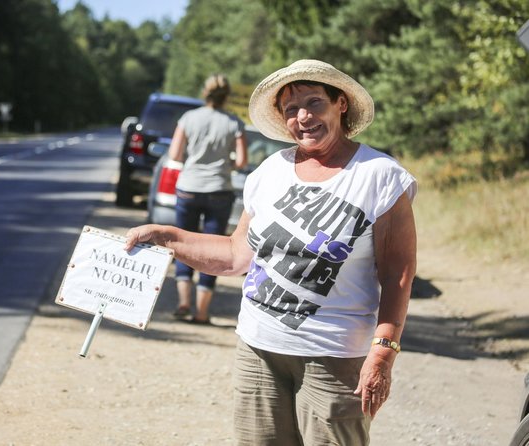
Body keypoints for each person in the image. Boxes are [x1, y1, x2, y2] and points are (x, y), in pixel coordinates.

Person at [125, 59, 417, 445]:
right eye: (291, 109)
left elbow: (398, 272)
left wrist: (383, 351)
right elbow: (235, 255)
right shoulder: (270, 171)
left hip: (333, 357)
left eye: (314, 103)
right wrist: (167, 236)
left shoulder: (379, 175)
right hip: (257, 350)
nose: (303, 117)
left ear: (340, 104)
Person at [167, 74, 248, 324]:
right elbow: (242, 160)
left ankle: (183, 302)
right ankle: (202, 312)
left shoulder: (189, 118)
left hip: (188, 188)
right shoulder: (234, 122)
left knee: (182, 243)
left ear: (205, 93)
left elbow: (174, 153)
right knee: (215, 250)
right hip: (218, 190)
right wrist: (226, 165)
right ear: (227, 96)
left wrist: (194, 162)